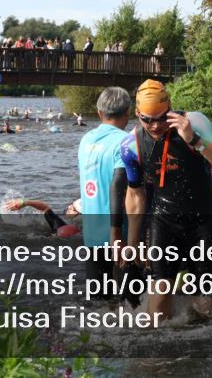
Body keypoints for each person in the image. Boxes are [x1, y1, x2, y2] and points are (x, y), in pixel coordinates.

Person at [121, 79, 212, 320]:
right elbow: (136, 195)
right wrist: (132, 245)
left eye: (162, 118)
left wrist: (194, 140)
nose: (155, 126)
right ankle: (158, 354)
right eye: (147, 119)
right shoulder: (131, 146)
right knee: (160, 295)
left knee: (205, 304)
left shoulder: (195, 122)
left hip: (202, 221)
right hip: (163, 221)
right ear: (137, 114)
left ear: (170, 107)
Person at [78, 87, 132, 285]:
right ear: (128, 112)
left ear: (100, 113)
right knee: (131, 303)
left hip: (91, 234)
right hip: (119, 233)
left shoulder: (86, 140)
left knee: (98, 301)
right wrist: (116, 233)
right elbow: (118, 185)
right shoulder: (126, 142)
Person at [5, 197, 81, 238]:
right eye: (71, 205)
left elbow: (45, 208)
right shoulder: (62, 222)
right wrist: (24, 203)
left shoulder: (65, 227)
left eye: (73, 209)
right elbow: (45, 208)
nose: (69, 207)